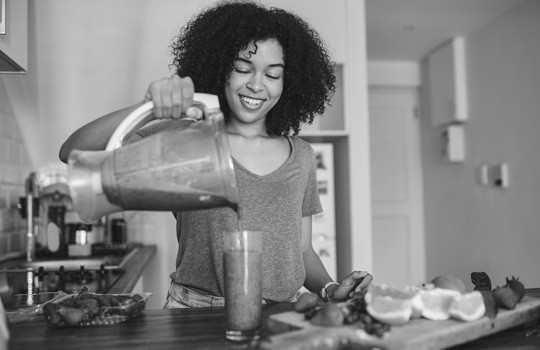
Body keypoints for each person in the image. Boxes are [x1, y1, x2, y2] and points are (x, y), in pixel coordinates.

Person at [59, 0, 373, 307]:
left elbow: (302, 250)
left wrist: (331, 288)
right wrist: (148, 107)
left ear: (288, 83)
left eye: (272, 74)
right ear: (221, 70)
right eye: (242, 68)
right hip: (196, 312)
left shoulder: (301, 156)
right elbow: (73, 151)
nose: (256, 85)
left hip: (282, 313)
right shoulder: (186, 139)